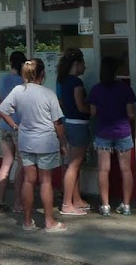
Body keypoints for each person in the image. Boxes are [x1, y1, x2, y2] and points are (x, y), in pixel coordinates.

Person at [0, 58, 68, 233]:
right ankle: (49, 222)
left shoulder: (18, 91)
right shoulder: (48, 94)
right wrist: (63, 143)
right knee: (46, 181)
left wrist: (15, 125)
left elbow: (2, 109)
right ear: (42, 74)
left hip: (25, 141)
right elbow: (58, 123)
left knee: (29, 180)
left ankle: (27, 221)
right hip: (46, 142)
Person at [88, 56, 136, 216]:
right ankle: (127, 205)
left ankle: (105, 205)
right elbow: (131, 113)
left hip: (103, 132)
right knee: (126, 170)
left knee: (103, 170)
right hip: (122, 132)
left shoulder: (96, 89)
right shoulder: (124, 88)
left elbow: (93, 112)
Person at [56, 48, 92, 215]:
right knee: (74, 164)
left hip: (68, 123)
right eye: (83, 63)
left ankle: (76, 199)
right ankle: (67, 204)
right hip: (78, 125)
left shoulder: (63, 82)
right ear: (76, 64)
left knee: (73, 164)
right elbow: (81, 106)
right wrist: (93, 109)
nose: (84, 67)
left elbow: (63, 103)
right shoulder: (77, 83)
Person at [0, 50, 27, 212]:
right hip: (19, 127)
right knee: (21, 165)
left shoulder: (1, 81)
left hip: (4, 126)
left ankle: (0, 199)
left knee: (6, 163)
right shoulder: (23, 83)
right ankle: (17, 202)